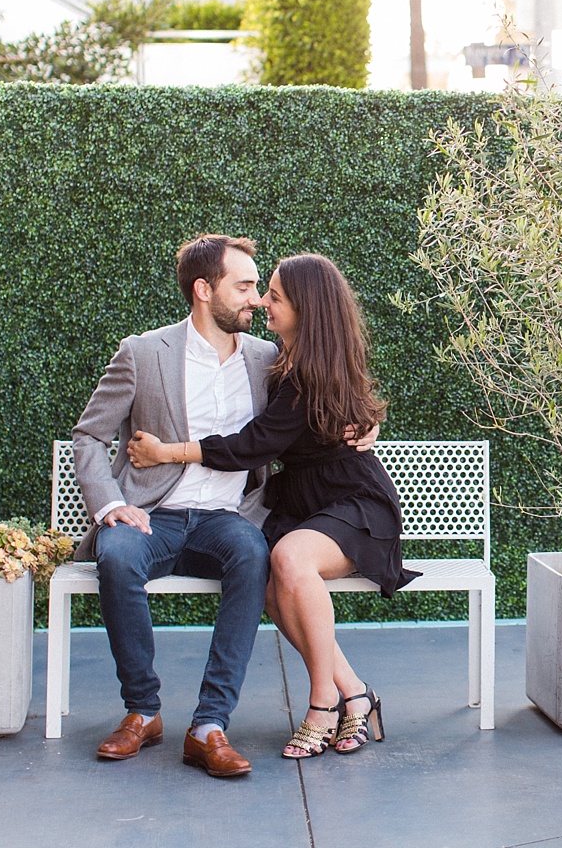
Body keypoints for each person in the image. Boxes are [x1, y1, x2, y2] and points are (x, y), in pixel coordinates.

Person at [127, 253, 418, 760]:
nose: (262, 301)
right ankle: (354, 693)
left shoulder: (311, 370)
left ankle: (322, 701)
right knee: (266, 577)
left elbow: (253, 444)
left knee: (290, 559)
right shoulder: (280, 360)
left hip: (351, 503)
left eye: (275, 296)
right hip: (302, 500)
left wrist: (167, 452)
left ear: (306, 308)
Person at [72, 234, 275, 778]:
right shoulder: (143, 352)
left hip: (226, 521)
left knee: (254, 556)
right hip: (152, 516)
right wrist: (110, 505)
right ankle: (142, 711)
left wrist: (363, 421)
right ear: (204, 289)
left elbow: (316, 407)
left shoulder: (266, 358)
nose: (257, 298)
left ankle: (209, 725)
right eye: (246, 286)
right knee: (115, 556)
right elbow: (89, 436)